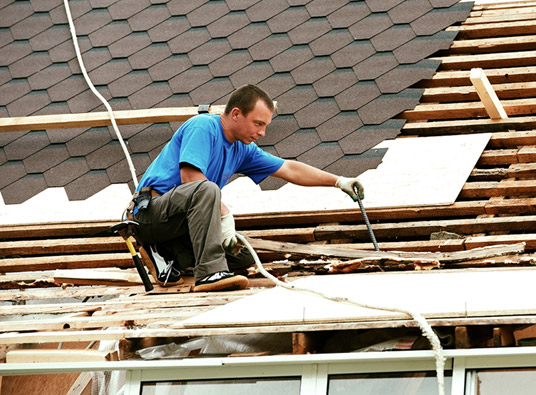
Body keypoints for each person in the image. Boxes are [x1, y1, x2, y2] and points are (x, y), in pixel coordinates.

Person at [126, 84, 364, 292]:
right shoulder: (203, 127)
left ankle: (167, 255)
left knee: (241, 256)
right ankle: (208, 273)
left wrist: (338, 181)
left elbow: (289, 169)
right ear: (237, 114)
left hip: (178, 224)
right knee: (207, 189)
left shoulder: (242, 149)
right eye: (258, 123)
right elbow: (191, 179)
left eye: (265, 125)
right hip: (149, 215)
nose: (262, 132)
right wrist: (225, 216)